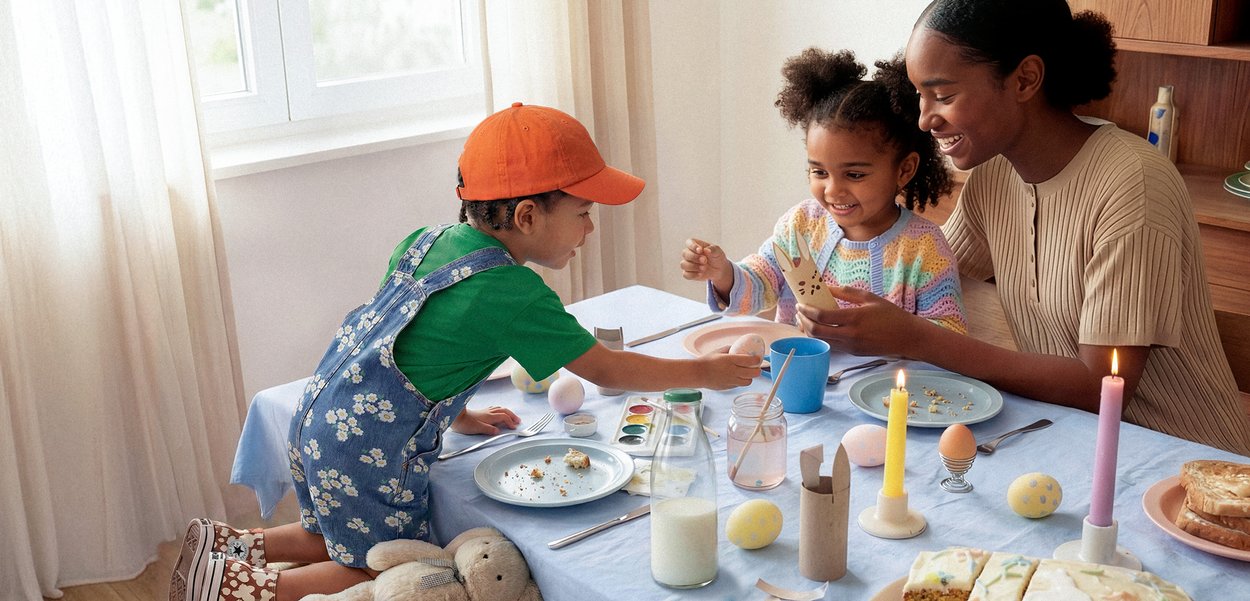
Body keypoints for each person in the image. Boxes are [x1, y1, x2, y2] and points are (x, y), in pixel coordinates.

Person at [168, 102, 761, 601]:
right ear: (528, 215)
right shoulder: (512, 292)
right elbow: (607, 368)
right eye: (583, 214)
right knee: (373, 562)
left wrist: (459, 411)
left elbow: (412, 345)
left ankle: (225, 545)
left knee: (331, 533)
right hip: (374, 449)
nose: (590, 229)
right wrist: (705, 370)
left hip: (324, 415)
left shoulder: (430, 240)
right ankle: (236, 590)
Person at [796, 0, 1250, 455]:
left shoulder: (1133, 184)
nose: (924, 118)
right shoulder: (994, 176)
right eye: (920, 95)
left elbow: (1100, 386)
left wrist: (916, 338)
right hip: (1064, 437)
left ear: (1025, 79)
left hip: (1186, 460)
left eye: (944, 95)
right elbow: (924, 269)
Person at [680, 48, 966, 335]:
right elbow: (761, 283)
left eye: (854, 175)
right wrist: (722, 274)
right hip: (800, 372)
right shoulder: (801, 225)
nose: (833, 190)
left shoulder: (925, 248)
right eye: (819, 172)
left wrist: (897, 332)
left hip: (885, 381)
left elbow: (950, 336)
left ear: (904, 170)